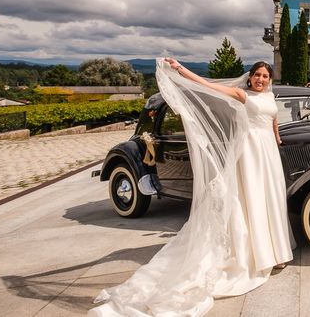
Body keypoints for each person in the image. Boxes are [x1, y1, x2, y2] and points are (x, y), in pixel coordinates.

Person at [90, 59, 293, 317]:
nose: (261, 80)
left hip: (268, 154)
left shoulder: (270, 96)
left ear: (269, 79)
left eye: (265, 76)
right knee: (251, 200)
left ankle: (277, 250)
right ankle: (260, 255)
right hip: (250, 153)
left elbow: (272, 119)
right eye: (257, 75)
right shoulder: (242, 94)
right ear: (250, 77)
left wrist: (276, 138)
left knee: (270, 199)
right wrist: (180, 70)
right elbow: (207, 85)